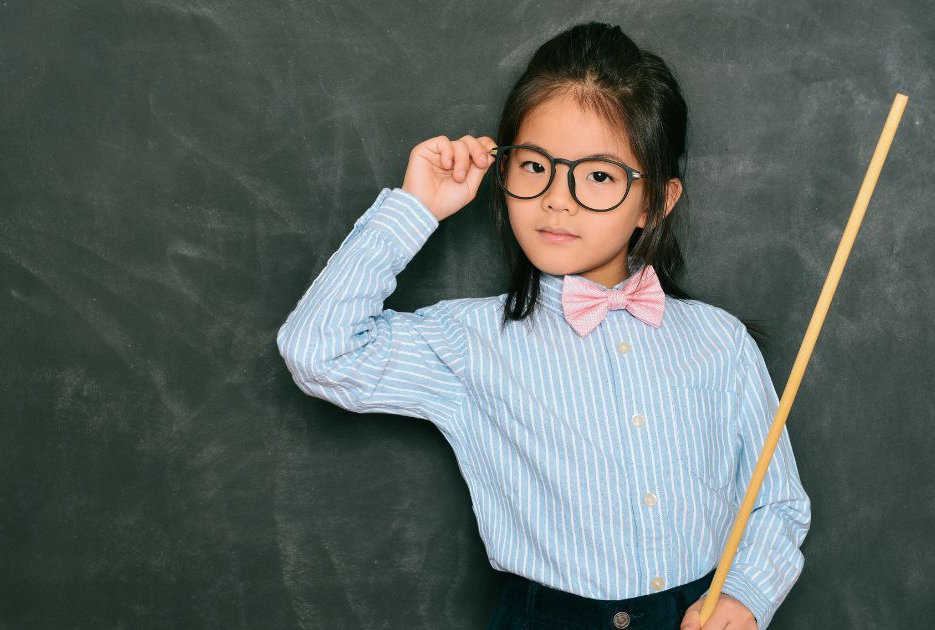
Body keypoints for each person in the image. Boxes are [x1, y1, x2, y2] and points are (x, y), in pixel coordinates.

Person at [276, 21, 810, 630]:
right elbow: (318, 351)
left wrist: (746, 595)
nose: (558, 198)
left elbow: (778, 501)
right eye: (535, 167)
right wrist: (416, 207)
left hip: (698, 613)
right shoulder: (470, 341)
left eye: (600, 176)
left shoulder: (720, 341)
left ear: (657, 201)